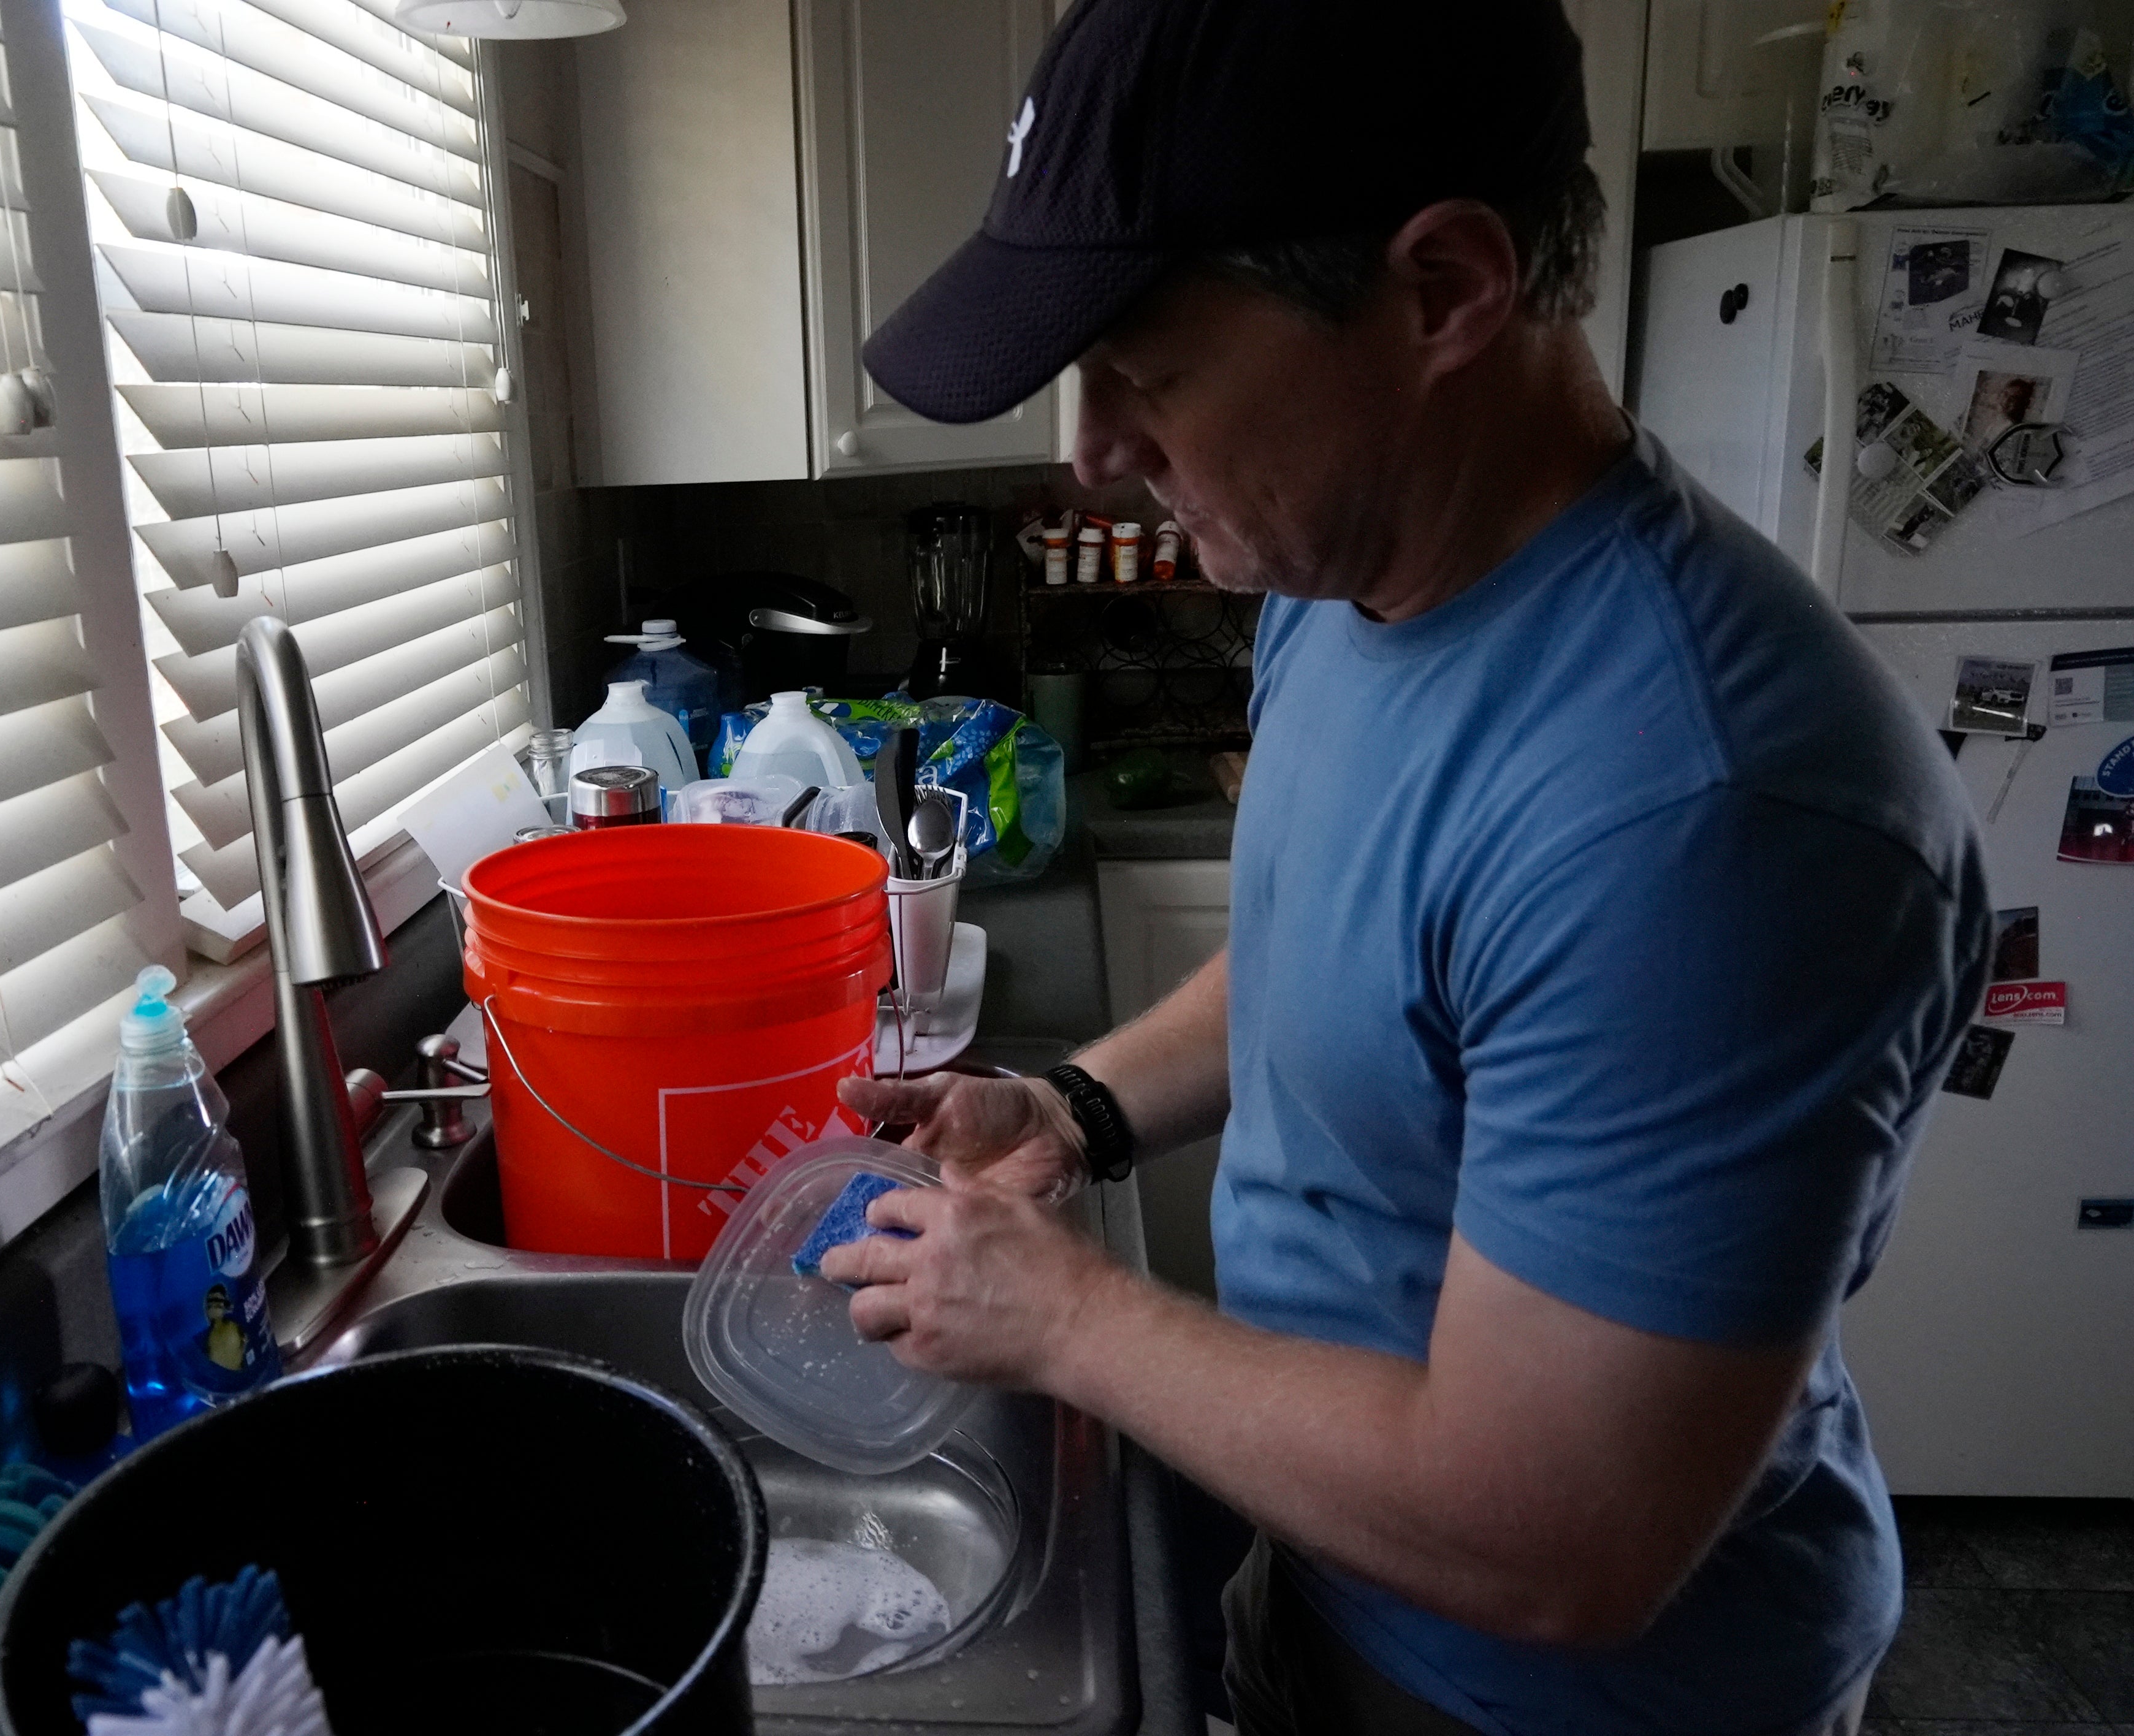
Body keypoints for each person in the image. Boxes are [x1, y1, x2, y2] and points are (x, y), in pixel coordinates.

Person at [818, 2, 1992, 1732]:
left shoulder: (1698, 814)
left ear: (1444, 291)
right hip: (1343, 1582)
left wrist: (1068, 1322)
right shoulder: (1345, 578)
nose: (1089, 448)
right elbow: (1335, 951)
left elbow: (1556, 1543)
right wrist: (1077, 1107)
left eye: (1146, 362)